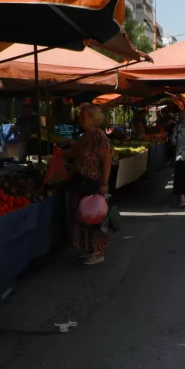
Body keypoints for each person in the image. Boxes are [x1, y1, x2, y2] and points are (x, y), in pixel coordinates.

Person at [64, 103, 113, 266]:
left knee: (93, 216)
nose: (80, 120)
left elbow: (107, 160)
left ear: (93, 119)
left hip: (93, 183)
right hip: (81, 182)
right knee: (82, 215)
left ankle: (97, 251)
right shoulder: (84, 136)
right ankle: (88, 248)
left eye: (83, 117)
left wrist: (104, 183)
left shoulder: (99, 137)